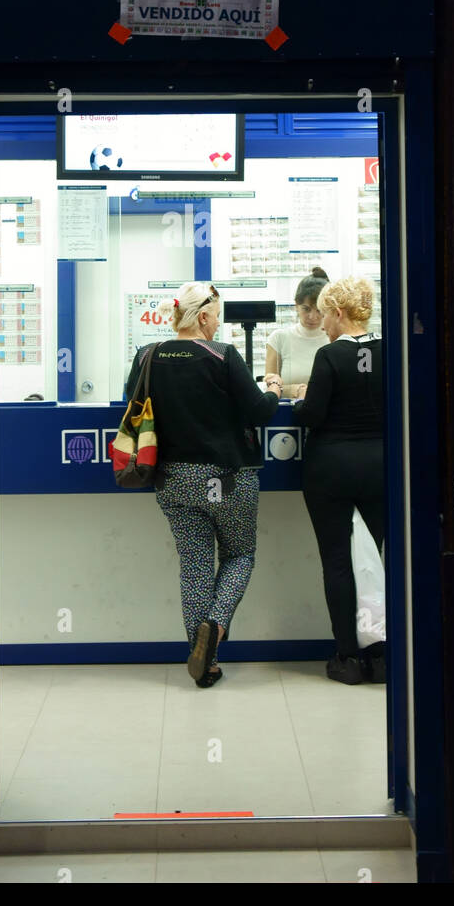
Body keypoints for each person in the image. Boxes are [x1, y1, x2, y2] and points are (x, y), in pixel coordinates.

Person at [125, 281, 281, 688]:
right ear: (205, 316)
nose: (219, 323)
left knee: (194, 569)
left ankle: (205, 661)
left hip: (174, 478)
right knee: (240, 555)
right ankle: (216, 623)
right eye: (218, 315)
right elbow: (261, 412)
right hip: (228, 477)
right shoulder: (223, 355)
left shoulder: (148, 355)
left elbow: (132, 401)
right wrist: (274, 387)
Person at [292, 276, 385, 686]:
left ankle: (347, 657)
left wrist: (295, 400)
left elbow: (313, 415)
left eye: (326, 313)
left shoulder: (329, 357)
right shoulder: (388, 350)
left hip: (330, 468)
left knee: (337, 560)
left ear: (340, 313)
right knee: (383, 560)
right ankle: (382, 653)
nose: (323, 322)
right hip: (381, 466)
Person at [264, 267, 330, 398]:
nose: (312, 316)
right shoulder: (279, 338)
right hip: (288, 413)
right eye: (306, 309)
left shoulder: (335, 340)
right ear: (296, 305)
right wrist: (295, 390)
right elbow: (269, 387)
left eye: (319, 310)